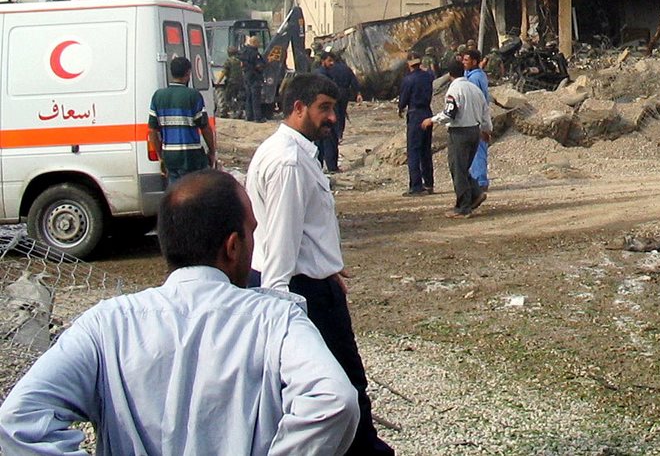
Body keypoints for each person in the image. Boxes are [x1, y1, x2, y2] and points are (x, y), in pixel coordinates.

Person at [0, 169, 359, 455]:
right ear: (233, 246)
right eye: (252, 234)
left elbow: (18, 421)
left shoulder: (107, 324)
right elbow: (334, 402)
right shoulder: (275, 320)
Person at [245, 73, 394, 455]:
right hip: (298, 292)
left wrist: (327, 266)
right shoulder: (289, 162)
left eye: (334, 108)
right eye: (324, 108)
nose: (332, 117)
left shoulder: (290, 151)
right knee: (343, 383)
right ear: (298, 108)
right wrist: (280, 314)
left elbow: (305, 232)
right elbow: (279, 241)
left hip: (311, 282)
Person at [422, 59, 492, 219]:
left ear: (449, 74)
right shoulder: (474, 88)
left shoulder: (454, 90)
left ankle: (463, 207)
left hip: (459, 132)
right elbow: (485, 110)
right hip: (475, 131)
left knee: (457, 169)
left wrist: (431, 120)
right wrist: (486, 129)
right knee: (463, 167)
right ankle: (476, 193)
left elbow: (449, 113)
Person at [148, 56, 216, 185]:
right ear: (188, 73)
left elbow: (152, 130)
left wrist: (160, 155)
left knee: (176, 193)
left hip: (170, 156)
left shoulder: (158, 96)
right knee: (194, 193)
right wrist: (212, 151)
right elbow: (205, 127)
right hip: (192, 156)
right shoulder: (193, 95)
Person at [316, 51, 363, 174]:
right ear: (323, 61)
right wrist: (357, 92)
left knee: (320, 141)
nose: (331, 63)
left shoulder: (321, 72)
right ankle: (331, 166)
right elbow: (353, 81)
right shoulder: (325, 75)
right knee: (331, 136)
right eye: (329, 61)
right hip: (335, 101)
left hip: (325, 106)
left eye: (332, 60)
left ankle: (319, 166)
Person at [397, 54, 435, 196]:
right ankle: (429, 183)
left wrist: (400, 108)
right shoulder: (428, 76)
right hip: (427, 112)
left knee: (413, 151)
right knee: (426, 150)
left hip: (415, 115)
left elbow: (403, 99)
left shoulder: (408, 80)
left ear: (409, 64)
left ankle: (416, 186)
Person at [460, 48, 491, 196]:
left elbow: (477, 100)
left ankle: (480, 181)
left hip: (476, 118)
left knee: (479, 151)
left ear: (474, 61)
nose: (464, 63)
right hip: (475, 117)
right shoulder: (472, 75)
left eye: (466, 60)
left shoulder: (475, 78)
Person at [239, 35, 267, 123]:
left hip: (246, 77)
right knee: (256, 98)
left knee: (249, 97)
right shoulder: (255, 53)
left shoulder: (244, 52)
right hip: (255, 77)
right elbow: (259, 66)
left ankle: (249, 116)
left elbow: (242, 64)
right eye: (258, 42)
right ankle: (258, 117)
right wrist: (264, 66)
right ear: (254, 43)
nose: (259, 44)